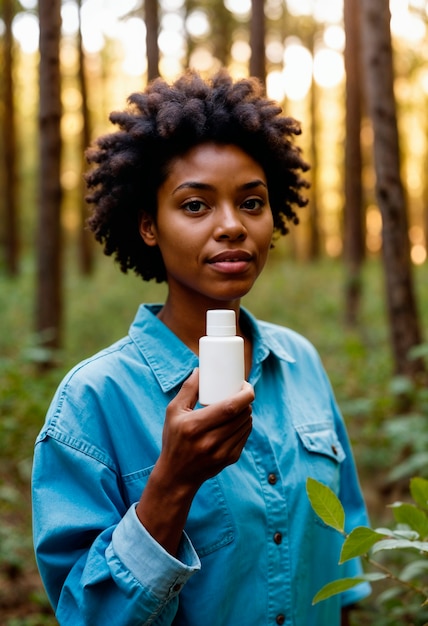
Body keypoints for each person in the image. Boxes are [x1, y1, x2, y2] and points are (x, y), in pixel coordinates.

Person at [32, 70, 370, 626]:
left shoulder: (299, 361)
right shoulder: (92, 401)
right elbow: (87, 615)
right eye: (195, 206)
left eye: (252, 203)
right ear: (148, 225)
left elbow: (345, 562)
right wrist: (171, 484)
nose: (232, 227)